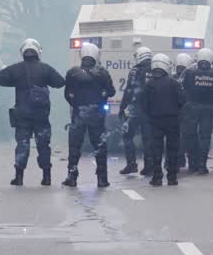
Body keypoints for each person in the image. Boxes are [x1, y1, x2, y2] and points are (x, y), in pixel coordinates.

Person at [0, 38, 65, 186]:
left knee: (22, 144)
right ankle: (47, 177)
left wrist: (15, 82)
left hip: (22, 114)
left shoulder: (16, 69)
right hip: (41, 114)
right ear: (38, 51)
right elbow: (60, 82)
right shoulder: (45, 68)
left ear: (23, 52)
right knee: (43, 145)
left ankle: (19, 177)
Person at [63, 42, 116, 188]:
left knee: (74, 147)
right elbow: (112, 91)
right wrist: (101, 98)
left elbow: (67, 94)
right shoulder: (103, 72)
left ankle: (72, 177)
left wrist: (77, 106)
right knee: (99, 146)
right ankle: (102, 178)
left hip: (78, 115)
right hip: (97, 116)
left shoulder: (72, 73)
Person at [136, 53, 186, 186]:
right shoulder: (174, 83)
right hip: (172, 121)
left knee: (156, 149)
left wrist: (151, 115)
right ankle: (172, 177)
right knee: (173, 149)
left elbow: (143, 104)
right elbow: (182, 99)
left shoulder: (149, 84)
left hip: (155, 122)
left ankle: (157, 177)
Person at [181, 48, 213, 175]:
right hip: (209, 109)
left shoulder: (189, 72)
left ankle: (192, 164)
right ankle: (202, 165)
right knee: (205, 137)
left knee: (191, 135)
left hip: (192, 108)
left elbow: (185, 89)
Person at [119, 47, 153, 176]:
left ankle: (131, 164)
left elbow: (129, 90)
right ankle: (149, 166)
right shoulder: (156, 69)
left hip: (136, 110)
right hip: (151, 111)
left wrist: (122, 107)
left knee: (127, 135)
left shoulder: (136, 71)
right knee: (148, 139)